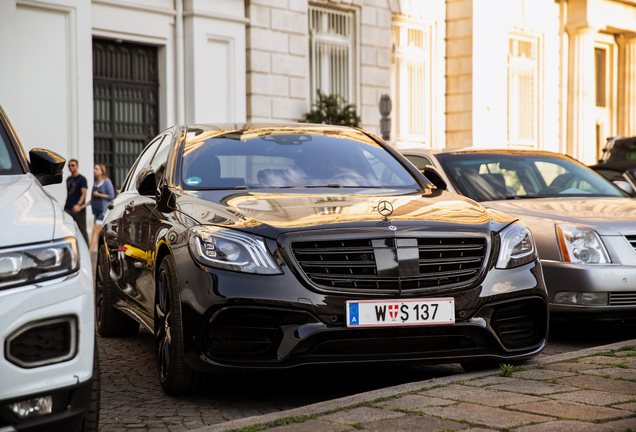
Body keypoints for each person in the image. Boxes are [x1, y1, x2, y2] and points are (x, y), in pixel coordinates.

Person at [79, 164, 115, 255]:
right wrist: (82, 206)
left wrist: (99, 195)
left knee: (95, 231)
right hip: (96, 212)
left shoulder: (106, 182)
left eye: (96, 169)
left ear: (102, 171)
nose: (94, 170)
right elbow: (92, 199)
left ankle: (88, 254)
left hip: (103, 211)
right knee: (100, 234)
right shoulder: (95, 183)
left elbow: (112, 196)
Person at [64, 159, 89, 244]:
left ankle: (87, 252)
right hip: (68, 208)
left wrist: (78, 205)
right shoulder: (68, 179)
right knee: (67, 230)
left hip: (79, 209)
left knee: (82, 231)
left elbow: (84, 193)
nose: (71, 167)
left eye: (73, 165)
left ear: (77, 166)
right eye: (69, 165)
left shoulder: (82, 179)